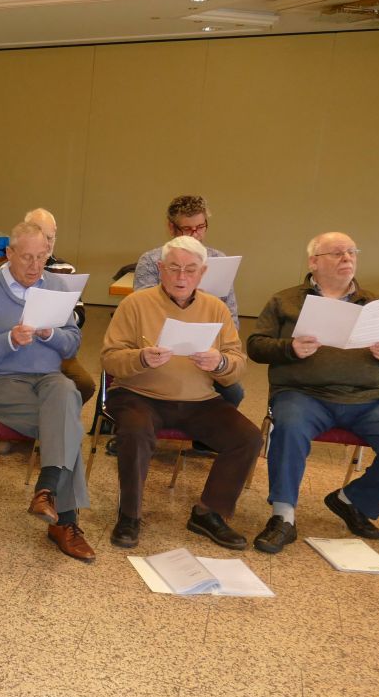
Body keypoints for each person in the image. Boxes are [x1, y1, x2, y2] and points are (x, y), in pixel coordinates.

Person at [246, 231, 379, 553]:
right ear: (314, 262)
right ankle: (283, 518)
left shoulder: (375, 304)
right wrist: (290, 348)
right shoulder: (285, 300)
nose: (347, 258)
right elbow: (255, 346)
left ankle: (352, 500)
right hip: (302, 395)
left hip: (368, 400)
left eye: (352, 252)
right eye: (337, 253)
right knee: (289, 428)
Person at [101, 235, 262, 550]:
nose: (181, 276)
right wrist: (141, 358)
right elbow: (109, 359)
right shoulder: (136, 303)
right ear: (161, 269)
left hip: (199, 400)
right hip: (138, 394)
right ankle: (129, 515)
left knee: (248, 438)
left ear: (203, 273)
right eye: (173, 268)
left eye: (190, 269)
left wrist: (220, 363)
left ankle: (209, 512)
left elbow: (238, 364)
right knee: (135, 431)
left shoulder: (216, 308)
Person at [0, 221, 94, 562]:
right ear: (9, 254)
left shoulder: (56, 286)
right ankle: (65, 522)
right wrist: (8, 340)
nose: (35, 266)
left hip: (46, 381)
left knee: (65, 389)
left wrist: (51, 334)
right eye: (27, 258)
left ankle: (46, 491)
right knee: (67, 423)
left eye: (42, 257)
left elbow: (72, 343)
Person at [132, 195, 244, 410]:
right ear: (171, 228)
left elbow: (232, 318)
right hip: (161, 347)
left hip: (205, 349)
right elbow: (143, 312)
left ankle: (204, 431)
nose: (195, 235)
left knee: (234, 392)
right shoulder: (152, 260)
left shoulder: (218, 259)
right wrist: (187, 295)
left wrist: (218, 352)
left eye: (200, 227)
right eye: (187, 229)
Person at [23, 207, 95, 404]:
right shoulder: (10, 268)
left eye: (51, 237)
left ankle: (57, 412)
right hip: (20, 346)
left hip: (55, 345)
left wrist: (59, 317)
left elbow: (79, 315)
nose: (47, 243)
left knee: (85, 384)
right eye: (42, 236)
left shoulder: (65, 269)